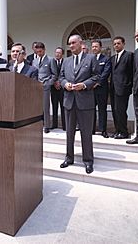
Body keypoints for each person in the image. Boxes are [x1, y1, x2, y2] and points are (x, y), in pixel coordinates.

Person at [59, 34, 100, 174]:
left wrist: (84, 84)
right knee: (69, 133)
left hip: (85, 102)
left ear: (80, 43)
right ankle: (69, 158)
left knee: (86, 133)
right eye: (69, 43)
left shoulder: (91, 58)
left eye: (73, 43)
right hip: (69, 101)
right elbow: (61, 77)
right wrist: (65, 84)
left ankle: (88, 161)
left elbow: (96, 76)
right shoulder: (66, 61)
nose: (71, 46)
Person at [110, 36, 134, 139]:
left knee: (121, 110)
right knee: (115, 111)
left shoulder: (129, 56)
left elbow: (132, 72)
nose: (116, 45)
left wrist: (129, 86)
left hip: (123, 89)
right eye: (114, 44)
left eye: (118, 43)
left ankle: (124, 132)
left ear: (123, 44)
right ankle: (117, 131)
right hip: (113, 89)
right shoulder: (112, 58)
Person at [33, 42, 56, 133]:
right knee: (36, 107)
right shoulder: (34, 61)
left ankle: (47, 126)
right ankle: (38, 124)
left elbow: (54, 74)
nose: (39, 53)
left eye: (40, 51)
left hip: (45, 86)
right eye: (37, 52)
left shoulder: (50, 60)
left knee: (45, 106)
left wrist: (49, 83)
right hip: (35, 86)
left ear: (44, 49)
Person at [91, 40, 111, 138]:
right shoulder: (89, 59)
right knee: (91, 109)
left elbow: (106, 73)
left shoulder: (106, 59)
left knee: (102, 109)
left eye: (96, 46)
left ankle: (103, 130)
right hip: (91, 89)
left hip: (101, 88)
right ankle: (92, 129)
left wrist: (98, 82)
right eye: (93, 47)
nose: (94, 48)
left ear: (100, 47)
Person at [50, 47, 66, 130]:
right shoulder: (51, 62)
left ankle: (64, 125)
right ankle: (54, 124)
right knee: (54, 106)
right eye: (56, 52)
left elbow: (65, 73)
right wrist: (55, 82)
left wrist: (60, 82)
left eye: (59, 53)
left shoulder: (65, 62)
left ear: (62, 54)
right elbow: (50, 73)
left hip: (63, 88)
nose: (57, 54)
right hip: (53, 88)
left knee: (63, 107)